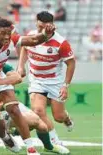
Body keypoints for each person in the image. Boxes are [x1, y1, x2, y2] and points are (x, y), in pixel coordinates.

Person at [0, 18, 55, 155]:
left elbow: (34, 40)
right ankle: (5, 137)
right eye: (3, 33)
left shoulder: (11, 39)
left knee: (14, 109)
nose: (7, 36)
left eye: (9, 33)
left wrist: (46, 34)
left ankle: (30, 148)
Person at [0, 63, 70, 154]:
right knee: (33, 120)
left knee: (43, 127)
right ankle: (6, 136)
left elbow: (18, 78)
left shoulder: (1, 63)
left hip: (11, 107)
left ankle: (49, 147)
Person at [17, 11, 75, 150]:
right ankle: (55, 141)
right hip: (36, 80)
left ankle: (66, 118)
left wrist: (65, 86)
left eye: (45, 27)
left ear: (51, 26)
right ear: (36, 22)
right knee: (38, 110)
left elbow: (71, 63)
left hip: (55, 82)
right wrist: (20, 66)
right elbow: (24, 48)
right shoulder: (31, 36)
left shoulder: (61, 43)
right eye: (39, 27)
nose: (41, 30)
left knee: (58, 117)